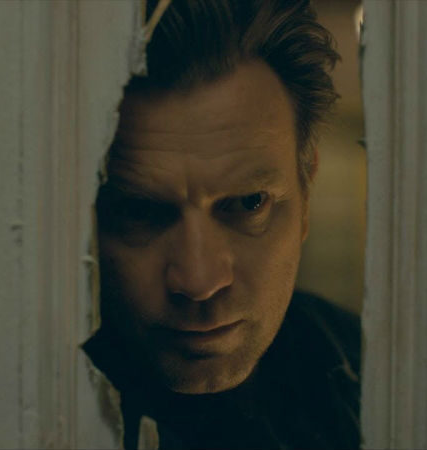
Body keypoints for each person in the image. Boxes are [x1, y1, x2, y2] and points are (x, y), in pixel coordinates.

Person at [84, 0, 361, 448]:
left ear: (307, 192)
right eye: (141, 212)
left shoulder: (371, 374)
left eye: (249, 203)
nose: (200, 281)